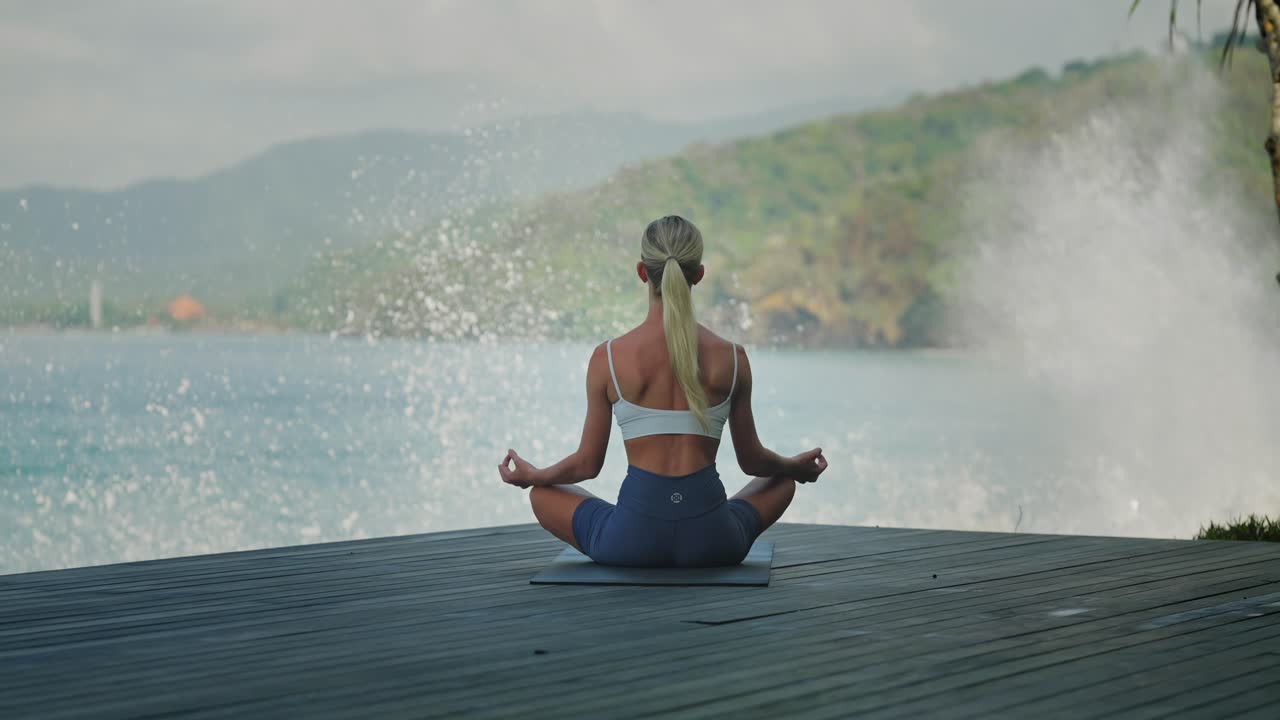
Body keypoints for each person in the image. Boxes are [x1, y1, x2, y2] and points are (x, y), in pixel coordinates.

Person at [498, 215, 827, 566]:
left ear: (642, 272)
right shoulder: (733, 358)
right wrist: (794, 466)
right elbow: (752, 462)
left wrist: (535, 476)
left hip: (630, 542)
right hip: (714, 541)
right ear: (698, 274)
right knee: (783, 482)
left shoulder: (607, 358)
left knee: (543, 495)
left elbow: (586, 465)